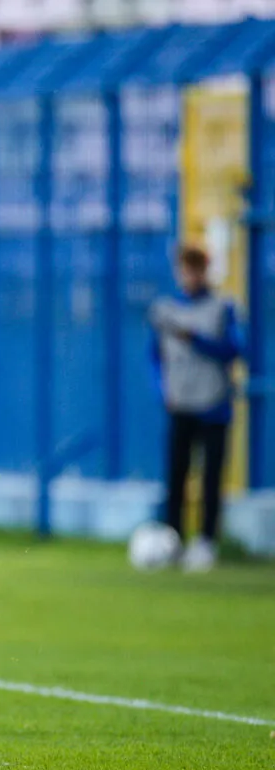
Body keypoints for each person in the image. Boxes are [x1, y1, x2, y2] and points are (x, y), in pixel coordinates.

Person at [149, 244, 245, 573]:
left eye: (196, 269)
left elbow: (235, 349)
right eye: (185, 270)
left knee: (210, 478)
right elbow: (154, 357)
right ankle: (172, 539)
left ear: (205, 272)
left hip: (214, 406)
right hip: (180, 406)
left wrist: (196, 340)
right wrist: (163, 391)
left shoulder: (222, 308)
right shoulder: (164, 310)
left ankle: (206, 541)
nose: (190, 276)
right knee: (175, 474)